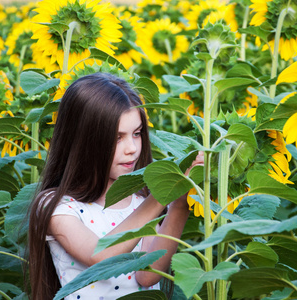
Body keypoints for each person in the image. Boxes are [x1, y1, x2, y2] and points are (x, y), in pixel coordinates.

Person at [27, 72, 203, 300]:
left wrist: (179, 203)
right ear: (84, 141)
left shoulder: (139, 200)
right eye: (117, 137)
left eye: (137, 134)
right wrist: (163, 191)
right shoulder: (55, 207)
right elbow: (101, 255)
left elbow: (147, 276)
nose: (131, 148)